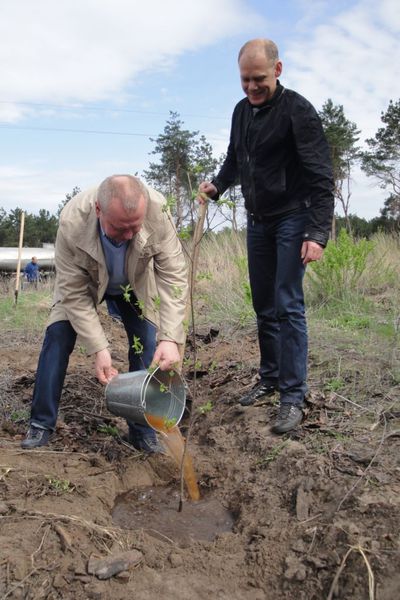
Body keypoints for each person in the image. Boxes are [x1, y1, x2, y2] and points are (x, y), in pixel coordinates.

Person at [198, 39, 334, 434]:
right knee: (263, 304)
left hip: (294, 218)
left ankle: (293, 397)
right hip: (258, 222)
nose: (252, 87)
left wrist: (317, 232)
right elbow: (234, 160)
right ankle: (271, 377)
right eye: (245, 80)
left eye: (259, 79)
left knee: (288, 302)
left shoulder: (298, 111)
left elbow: (321, 175)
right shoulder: (241, 112)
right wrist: (217, 187)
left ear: (277, 70)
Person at [21, 175, 188, 451]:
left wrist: (170, 338)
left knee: (146, 341)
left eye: (135, 228)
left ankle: (142, 430)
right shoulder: (72, 221)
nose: (129, 236)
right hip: (84, 284)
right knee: (58, 336)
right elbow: (72, 293)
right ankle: (40, 424)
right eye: (120, 229)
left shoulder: (159, 212)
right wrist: (99, 348)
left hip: (133, 285)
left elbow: (174, 277)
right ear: (99, 211)